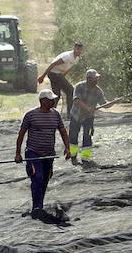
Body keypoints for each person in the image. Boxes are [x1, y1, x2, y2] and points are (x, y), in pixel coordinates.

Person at [15, 88, 73, 219]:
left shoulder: (56, 115)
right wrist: (18, 153)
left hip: (49, 154)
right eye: (51, 99)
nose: (54, 101)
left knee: (46, 178)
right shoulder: (30, 115)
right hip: (33, 152)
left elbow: (63, 131)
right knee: (37, 177)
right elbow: (21, 134)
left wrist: (67, 148)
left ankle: (39, 204)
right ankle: (37, 207)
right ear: (43, 101)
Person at [69, 68, 109, 163]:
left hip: (89, 118)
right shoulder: (79, 86)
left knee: (88, 136)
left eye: (97, 78)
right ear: (89, 79)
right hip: (76, 115)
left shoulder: (98, 91)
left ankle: (85, 158)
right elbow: (76, 100)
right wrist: (88, 108)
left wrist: (110, 104)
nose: (97, 80)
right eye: (95, 78)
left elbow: (104, 103)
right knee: (73, 136)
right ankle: (73, 156)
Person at [38, 42, 83, 114]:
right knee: (71, 91)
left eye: (80, 50)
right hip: (53, 73)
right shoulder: (67, 56)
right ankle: (70, 114)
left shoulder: (76, 58)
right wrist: (43, 76)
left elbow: (68, 68)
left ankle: (49, 112)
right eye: (77, 49)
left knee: (56, 95)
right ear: (74, 48)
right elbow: (53, 64)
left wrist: (63, 77)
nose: (79, 51)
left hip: (58, 75)